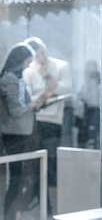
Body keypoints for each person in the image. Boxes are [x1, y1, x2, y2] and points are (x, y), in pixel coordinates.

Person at [0, 43, 48, 220]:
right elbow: (16, 110)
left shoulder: (18, 79)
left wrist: (35, 104)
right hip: (14, 135)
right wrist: (34, 104)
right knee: (15, 180)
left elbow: (22, 105)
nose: (28, 66)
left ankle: (13, 214)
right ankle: (9, 215)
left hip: (22, 133)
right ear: (20, 60)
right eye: (27, 62)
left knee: (19, 180)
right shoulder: (10, 79)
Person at [22, 37, 73, 187]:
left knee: (51, 159)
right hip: (35, 120)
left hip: (54, 120)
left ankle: (48, 193)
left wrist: (46, 75)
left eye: (42, 53)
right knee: (35, 161)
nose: (41, 57)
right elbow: (29, 98)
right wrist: (48, 94)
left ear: (44, 47)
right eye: (37, 55)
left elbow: (67, 90)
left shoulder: (61, 66)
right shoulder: (29, 70)